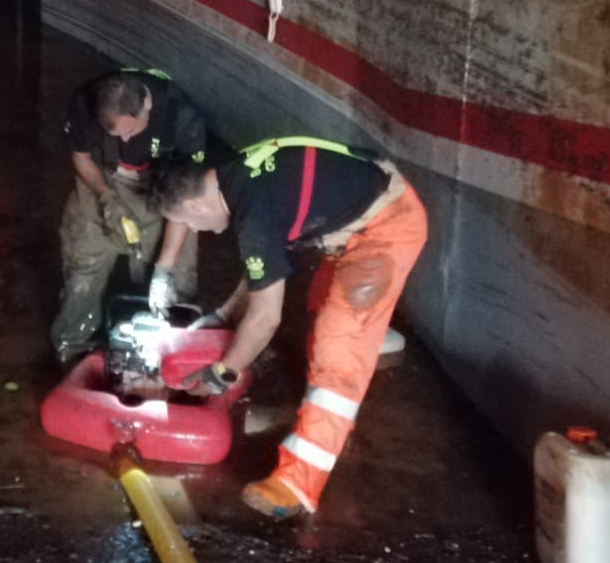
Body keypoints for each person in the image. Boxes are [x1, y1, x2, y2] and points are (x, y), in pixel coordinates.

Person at [157, 137, 429, 519]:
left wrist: (222, 373)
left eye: (189, 223)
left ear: (194, 203)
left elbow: (267, 317)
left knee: (338, 348)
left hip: (386, 226)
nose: (202, 231)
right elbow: (263, 264)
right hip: (352, 224)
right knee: (320, 318)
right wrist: (222, 316)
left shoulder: (252, 210)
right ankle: (333, 429)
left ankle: (297, 483)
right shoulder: (235, 179)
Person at [51, 69, 207, 366]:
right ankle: (72, 350)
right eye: (115, 134)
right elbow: (81, 157)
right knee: (83, 269)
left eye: (130, 131)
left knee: (175, 280)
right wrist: (107, 198)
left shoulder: (183, 117)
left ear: (146, 104)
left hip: (162, 186)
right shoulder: (87, 102)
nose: (124, 138)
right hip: (102, 177)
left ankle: (172, 355)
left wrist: (164, 269)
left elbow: (186, 200)